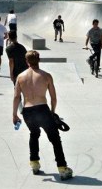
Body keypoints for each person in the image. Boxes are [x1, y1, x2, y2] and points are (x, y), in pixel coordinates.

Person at [13, 50, 73, 180]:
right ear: (38, 60)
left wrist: (14, 115)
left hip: (28, 111)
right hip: (42, 109)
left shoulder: (20, 77)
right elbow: (53, 98)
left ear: (26, 61)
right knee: (55, 139)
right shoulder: (46, 76)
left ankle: (34, 163)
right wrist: (52, 112)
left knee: (34, 134)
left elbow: (16, 97)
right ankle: (62, 168)